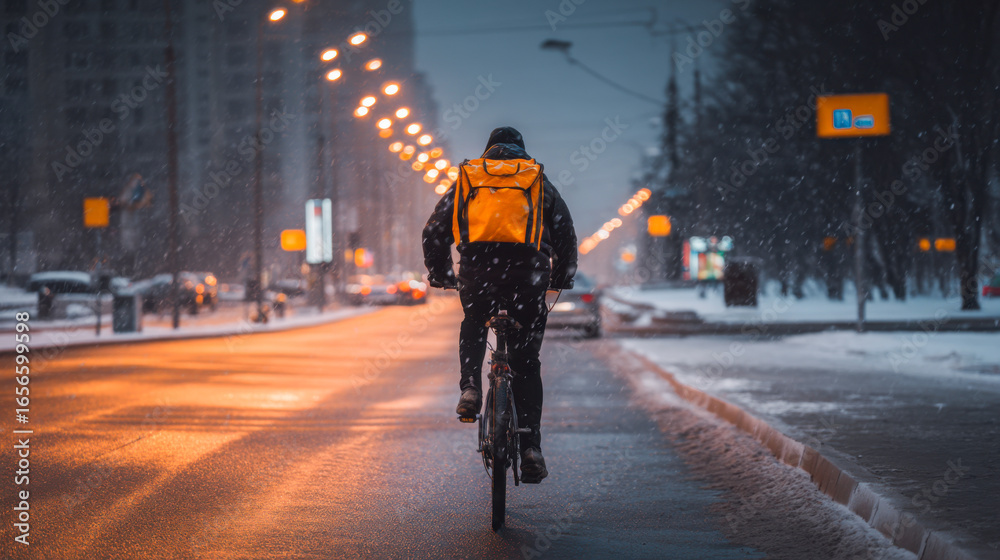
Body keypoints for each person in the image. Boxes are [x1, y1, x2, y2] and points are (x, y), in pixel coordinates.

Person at [422, 126, 577, 483]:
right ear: (521, 151)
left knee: (474, 323)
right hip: (528, 279)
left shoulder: (469, 179)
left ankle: (470, 389)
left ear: (488, 151)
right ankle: (531, 449)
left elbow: (434, 231)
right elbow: (565, 234)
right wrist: (560, 278)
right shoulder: (537, 181)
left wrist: (442, 273)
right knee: (526, 362)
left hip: (480, 273)